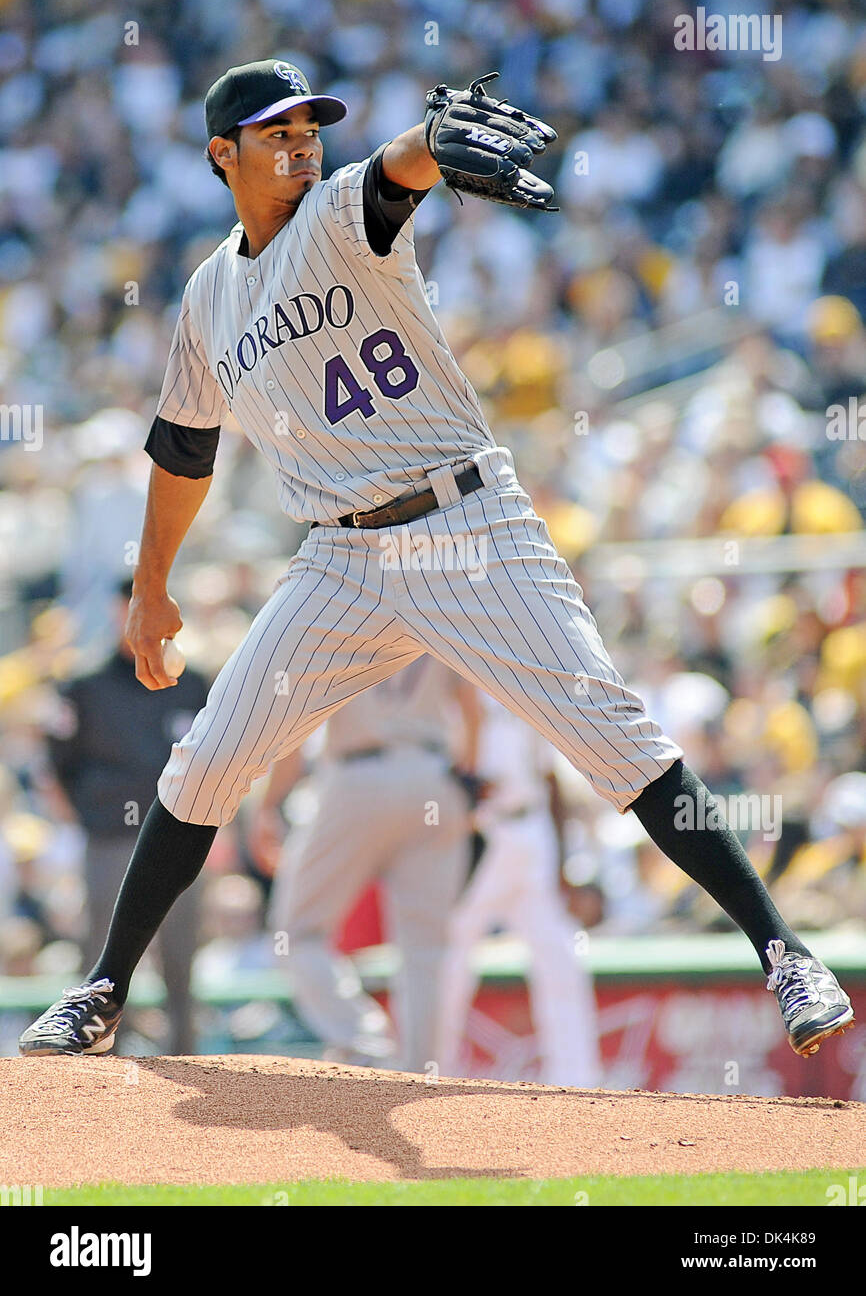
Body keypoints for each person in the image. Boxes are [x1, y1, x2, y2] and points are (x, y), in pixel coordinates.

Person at [20, 58, 853, 1062]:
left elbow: (391, 173)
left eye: (307, 127)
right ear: (220, 154)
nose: (298, 142)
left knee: (612, 731)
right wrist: (151, 585)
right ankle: (104, 987)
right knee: (208, 758)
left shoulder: (334, 212)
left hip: (468, 523)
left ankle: (782, 951)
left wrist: (423, 145)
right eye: (273, 131)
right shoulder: (206, 299)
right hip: (337, 558)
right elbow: (183, 451)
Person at [261, 655, 479, 1071]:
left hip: (356, 776)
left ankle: (365, 1044)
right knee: (426, 949)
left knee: (295, 933)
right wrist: (465, 782)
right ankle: (421, 1075)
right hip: (433, 774)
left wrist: (269, 805)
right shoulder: (437, 604)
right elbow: (474, 710)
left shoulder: (341, 609)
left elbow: (294, 732)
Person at [40, 577, 207, 1053]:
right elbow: (54, 769)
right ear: (118, 613)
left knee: (180, 961)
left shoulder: (192, 682)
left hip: (182, 837)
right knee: (102, 963)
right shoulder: (84, 686)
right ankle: (101, 1078)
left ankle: (185, 1061)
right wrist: (85, 827)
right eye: (129, 606)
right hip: (110, 838)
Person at [434, 695, 601, 1087]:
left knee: (561, 959)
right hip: (476, 834)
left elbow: (550, 777)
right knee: (449, 962)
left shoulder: (519, 678)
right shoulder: (451, 679)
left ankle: (578, 1082)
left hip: (531, 831)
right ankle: (432, 1074)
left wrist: (561, 867)